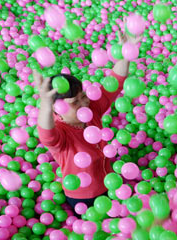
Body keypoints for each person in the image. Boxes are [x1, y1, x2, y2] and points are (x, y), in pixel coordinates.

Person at [35, 27, 139, 213]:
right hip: (84, 195)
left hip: (111, 183)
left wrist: (126, 52)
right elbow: (46, 135)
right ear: (57, 109)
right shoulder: (61, 133)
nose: (84, 102)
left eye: (83, 95)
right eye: (75, 102)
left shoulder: (92, 109)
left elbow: (113, 84)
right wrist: (45, 104)